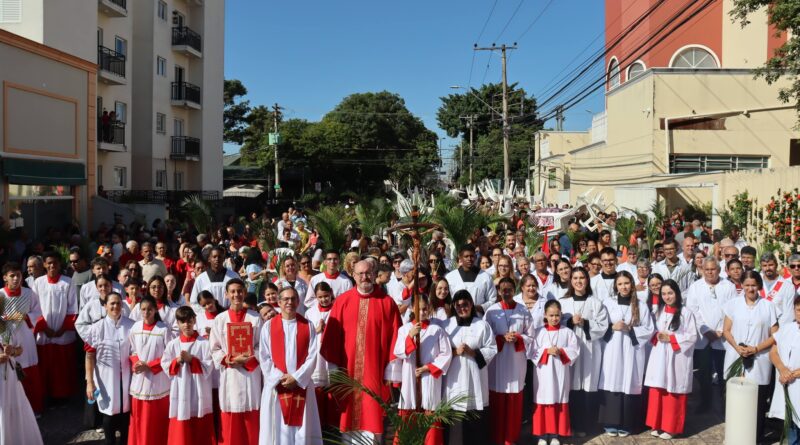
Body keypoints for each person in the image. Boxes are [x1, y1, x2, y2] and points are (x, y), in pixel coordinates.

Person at [319, 260, 402, 444]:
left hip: (375, 371)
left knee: (373, 412)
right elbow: (331, 337)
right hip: (347, 370)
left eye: (368, 273)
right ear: (353, 275)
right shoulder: (342, 301)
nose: (365, 277)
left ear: (374, 274)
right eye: (360, 274)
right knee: (348, 415)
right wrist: (334, 369)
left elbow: (396, 338)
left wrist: (391, 370)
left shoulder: (387, 303)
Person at [258, 287, 322, 445]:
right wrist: (280, 377)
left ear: (298, 302)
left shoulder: (308, 326)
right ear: (279, 302)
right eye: (286, 299)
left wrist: (296, 378)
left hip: (301, 385)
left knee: (302, 428)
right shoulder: (268, 326)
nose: (290, 302)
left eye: (293, 299)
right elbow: (264, 357)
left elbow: (313, 355)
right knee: (277, 427)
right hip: (276, 385)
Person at [597, 271, 655, 437]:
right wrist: (612, 327)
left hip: (632, 350)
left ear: (632, 284)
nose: (624, 287)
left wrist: (630, 329)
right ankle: (610, 422)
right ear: (616, 286)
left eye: (627, 283)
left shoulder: (641, 305)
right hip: (612, 349)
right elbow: (600, 324)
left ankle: (627, 423)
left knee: (629, 381)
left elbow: (649, 329)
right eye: (620, 284)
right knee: (612, 380)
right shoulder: (608, 303)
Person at [722, 270, 778, 441]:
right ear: (742, 286)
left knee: (757, 402)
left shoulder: (768, 306)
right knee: (735, 399)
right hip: (736, 356)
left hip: (760, 359)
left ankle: (755, 438)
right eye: (747, 285)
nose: (750, 289)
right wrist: (737, 348)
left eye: (753, 285)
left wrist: (756, 348)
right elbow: (726, 330)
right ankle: (735, 436)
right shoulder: (733, 304)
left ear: (759, 285)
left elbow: (775, 335)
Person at [392, 293, 453, 445]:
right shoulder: (404, 329)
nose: (422, 312)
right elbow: (398, 351)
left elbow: (446, 354)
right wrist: (410, 336)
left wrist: (427, 367)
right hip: (410, 377)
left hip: (429, 378)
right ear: (412, 308)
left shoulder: (437, 330)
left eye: (425, 309)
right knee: (408, 414)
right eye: (419, 309)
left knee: (430, 417)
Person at [209, 279, 262, 444]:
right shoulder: (220, 319)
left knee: (251, 420)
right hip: (230, 374)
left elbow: (262, 346)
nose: (236, 294)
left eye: (239, 291)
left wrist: (248, 359)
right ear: (226, 294)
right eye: (232, 291)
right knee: (230, 421)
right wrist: (229, 359)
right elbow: (214, 348)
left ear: (244, 293)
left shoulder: (255, 318)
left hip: (250, 375)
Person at [484, 277, 534, 445]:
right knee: (497, 401)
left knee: (514, 401)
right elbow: (485, 337)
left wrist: (518, 338)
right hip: (497, 363)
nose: (506, 293)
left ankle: (511, 439)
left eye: (509, 290)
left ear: (515, 290)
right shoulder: (491, 311)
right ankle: (497, 438)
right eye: (503, 290)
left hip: (515, 362)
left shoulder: (523, 310)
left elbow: (531, 336)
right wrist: (500, 338)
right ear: (498, 291)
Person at [645, 279, 697, 439]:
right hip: (659, 354)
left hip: (677, 356)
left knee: (673, 389)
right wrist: (656, 335)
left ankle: (671, 427)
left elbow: (692, 336)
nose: (667, 297)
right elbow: (651, 330)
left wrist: (672, 339)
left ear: (677, 293)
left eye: (670, 293)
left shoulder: (686, 313)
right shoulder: (658, 311)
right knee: (658, 387)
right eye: (664, 294)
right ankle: (656, 424)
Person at [559, 267, 609, 437]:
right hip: (570, 350)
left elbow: (603, 326)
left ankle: (587, 425)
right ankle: (571, 424)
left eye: (582, 278)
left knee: (588, 385)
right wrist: (570, 322)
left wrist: (585, 323)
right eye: (575, 278)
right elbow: (556, 324)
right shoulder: (564, 303)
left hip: (590, 349)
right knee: (571, 386)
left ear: (587, 280)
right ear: (570, 281)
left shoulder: (596, 303)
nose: (578, 281)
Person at [442, 290, 497, 445]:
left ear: (471, 304)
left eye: (465, 304)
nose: (462, 308)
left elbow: (492, 348)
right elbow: (439, 351)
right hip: (454, 380)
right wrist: (454, 352)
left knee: (475, 423)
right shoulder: (447, 325)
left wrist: (473, 352)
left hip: (475, 379)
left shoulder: (482, 325)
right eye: (458, 305)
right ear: (454, 306)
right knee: (455, 421)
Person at [685, 257, 737, 413]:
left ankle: (725, 405)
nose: (709, 272)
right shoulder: (695, 287)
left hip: (723, 337)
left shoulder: (729, 286)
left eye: (713, 269)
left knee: (723, 373)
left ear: (719, 270)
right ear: (702, 270)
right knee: (704, 373)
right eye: (706, 269)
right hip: (703, 337)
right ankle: (705, 403)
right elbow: (692, 311)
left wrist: (721, 330)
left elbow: (732, 310)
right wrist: (706, 330)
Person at [0, 268, 45, 445]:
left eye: (18, 275)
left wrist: (25, 316)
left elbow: (38, 314)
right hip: (4, 336)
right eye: (12, 275)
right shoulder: (0, 294)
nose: (16, 278)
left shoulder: (29, 293)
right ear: (5, 277)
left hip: (24, 335)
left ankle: (34, 408)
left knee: (29, 369)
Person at [84, 292, 134, 445]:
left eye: (118, 303)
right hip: (106, 379)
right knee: (109, 414)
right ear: (105, 306)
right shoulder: (96, 328)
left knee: (126, 414)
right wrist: (90, 382)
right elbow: (89, 356)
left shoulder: (131, 325)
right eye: (112, 303)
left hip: (128, 378)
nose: (115, 306)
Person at [161, 306, 215, 445]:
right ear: (178, 323)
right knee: (181, 418)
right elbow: (165, 364)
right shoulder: (173, 344)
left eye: (189, 321)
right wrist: (177, 361)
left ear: (194, 320)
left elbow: (209, 366)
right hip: (180, 388)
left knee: (199, 422)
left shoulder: (204, 343)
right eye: (182, 322)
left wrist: (192, 360)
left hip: (199, 389)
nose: (186, 325)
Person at [531, 300, 579, 445]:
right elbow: (531, 351)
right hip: (543, 374)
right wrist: (546, 351)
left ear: (561, 314)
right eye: (551, 315)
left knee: (558, 399)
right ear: (545, 315)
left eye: (557, 315)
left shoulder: (567, 332)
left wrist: (561, 351)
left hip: (560, 372)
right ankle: (542, 435)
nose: (554, 318)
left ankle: (554, 435)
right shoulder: (538, 332)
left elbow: (575, 350)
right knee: (543, 400)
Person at [33, 251, 79, 401]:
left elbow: (73, 307)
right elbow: (34, 308)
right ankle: (46, 395)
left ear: (59, 265)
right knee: (45, 365)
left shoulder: (68, 282)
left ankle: (63, 396)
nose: (52, 265)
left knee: (62, 367)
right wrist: (44, 327)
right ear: (44, 265)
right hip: (44, 332)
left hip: (62, 332)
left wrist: (63, 328)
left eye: (55, 263)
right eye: (49, 263)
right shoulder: (38, 283)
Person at [128, 295, 172, 445]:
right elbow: (132, 350)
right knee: (139, 419)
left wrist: (149, 365)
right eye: (143, 309)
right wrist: (136, 363)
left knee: (155, 420)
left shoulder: (164, 329)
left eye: (149, 309)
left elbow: (169, 355)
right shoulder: (135, 328)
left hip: (157, 381)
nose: (146, 312)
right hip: (139, 379)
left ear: (155, 310)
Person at [767, 295, 800, 444]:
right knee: (791, 421)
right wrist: (782, 369)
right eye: (798, 310)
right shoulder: (787, 328)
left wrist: (794, 373)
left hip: (795, 380)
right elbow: (773, 352)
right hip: (786, 382)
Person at [304, 282, 337, 430]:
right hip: (317, 353)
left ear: (331, 293)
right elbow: (305, 334)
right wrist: (317, 330)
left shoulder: (337, 309)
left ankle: (333, 423)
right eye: (320, 297)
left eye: (326, 296)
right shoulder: (310, 313)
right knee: (318, 388)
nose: (323, 300)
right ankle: (319, 423)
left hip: (332, 352)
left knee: (333, 386)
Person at [445, 245, 496, 315]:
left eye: (472, 256)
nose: (469, 259)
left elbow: (492, 300)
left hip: (478, 318)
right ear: (460, 258)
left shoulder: (485, 277)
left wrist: (480, 307)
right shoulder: (450, 277)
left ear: (475, 257)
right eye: (466, 256)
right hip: (456, 317)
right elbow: (446, 300)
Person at [760, 252, 795, 325]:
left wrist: (779, 330)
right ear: (761, 266)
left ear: (776, 265)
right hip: (759, 326)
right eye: (764, 265)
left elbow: (789, 314)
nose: (768, 268)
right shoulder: (756, 284)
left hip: (779, 326)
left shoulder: (788, 286)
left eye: (771, 265)